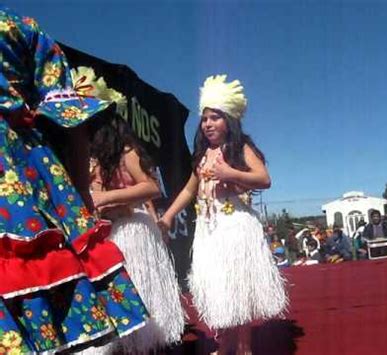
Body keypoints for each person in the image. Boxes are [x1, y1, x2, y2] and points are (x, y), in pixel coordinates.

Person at [0, 7, 148, 353]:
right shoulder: (22, 27)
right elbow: (73, 125)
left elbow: (73, 124)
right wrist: (79, 199)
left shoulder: (20, 29)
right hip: (24, 172)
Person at [159, 75, 287, 354]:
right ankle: (226, 343)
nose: (207, 124)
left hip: (234, 227)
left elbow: (264, 179)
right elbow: (188, 191)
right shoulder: (203, 156)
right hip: (209, 231)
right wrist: (168, 216)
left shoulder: (240, 148)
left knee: (237, 288)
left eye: (215, 117)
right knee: (220, 289)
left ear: (229, 120)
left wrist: (230, 173)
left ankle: (243, 348)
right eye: (204, 118)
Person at [87, 115, 186, 353]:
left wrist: (107, 198)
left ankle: (145, 344)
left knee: (140, 292)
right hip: (110, 234)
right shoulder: (96, 161)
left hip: (134, 232)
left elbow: (151, 187)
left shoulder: (128, 152)